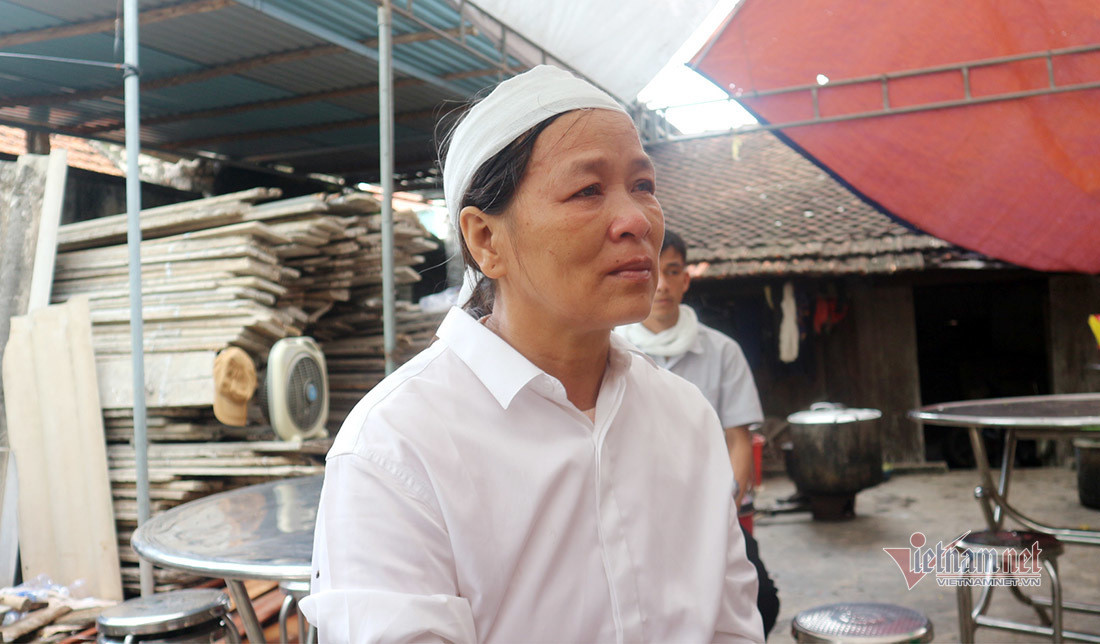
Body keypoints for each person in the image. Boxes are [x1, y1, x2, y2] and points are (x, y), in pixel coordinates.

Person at [299, 65, 763, 643]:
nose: (637, 220)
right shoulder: (396, 448)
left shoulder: (686, 416)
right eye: (587, 190)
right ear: (485, 239)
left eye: (643, 185)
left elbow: (731, 630)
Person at [617, 230, 781, 636]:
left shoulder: (723, 352)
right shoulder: (609, 349)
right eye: (653, 271)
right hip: (634, 514)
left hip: (710, 509)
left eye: (673, 271)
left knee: (762, 600)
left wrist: (721, 509)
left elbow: (738, 440)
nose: (663, 284)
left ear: (686, 279)